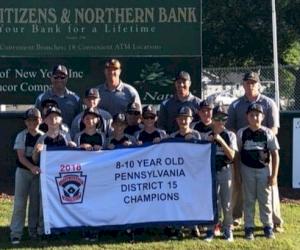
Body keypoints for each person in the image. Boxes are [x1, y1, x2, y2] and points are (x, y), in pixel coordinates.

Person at [226, 71, 283, 232]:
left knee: (270, 187)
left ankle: (275, 221)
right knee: (239, 185)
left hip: (264, 151)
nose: (250, 85)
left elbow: (274, 128)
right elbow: (230, 128)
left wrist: (263, 140)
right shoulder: (235, 104)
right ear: (243, 85)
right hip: (242, 151)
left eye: (253, 83)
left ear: (259, 85)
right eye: (247, 83)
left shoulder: (269, 103)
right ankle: (237, 218)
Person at [237, 103, 279, 240]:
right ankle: (249, 227)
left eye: (257, 115)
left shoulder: (268, 133)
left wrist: (274, 175)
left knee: (265, 199)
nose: (255, 117)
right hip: (247, 169)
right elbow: (237, 154)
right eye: (251, 115)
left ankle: (268, 226)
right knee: (248, 200)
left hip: (263, 170)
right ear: (247, 117)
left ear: (263, 116)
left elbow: (275, 155)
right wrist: (238, 173)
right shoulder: (242, 133)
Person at [32, 106, 76, 237]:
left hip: (63, 177)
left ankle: (63, 231)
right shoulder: (42, 138)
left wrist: (73, 147)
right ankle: (43, 231)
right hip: (47, 178)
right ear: (44, 120)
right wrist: (36, 151)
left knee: (63, 203)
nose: (53, 119)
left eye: (56, 117)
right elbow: (35, 160)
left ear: (61, 120)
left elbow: (73, 159)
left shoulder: (66, 137)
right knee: (44, 205)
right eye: (49, 117)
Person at [10, 108, 44, 245]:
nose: (32, 123)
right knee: (19, 203)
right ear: (25, 122)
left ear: (40, 120)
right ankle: (16, 233)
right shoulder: (21, 136)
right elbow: (21, 157)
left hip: (38, 175)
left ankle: (33, 232)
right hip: (23, 172)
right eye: (30, 120)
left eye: (35, 120)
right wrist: (32, 167)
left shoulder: (44, 136)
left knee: (35, 204)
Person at [204, 105, 237, 242]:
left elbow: (232, 156)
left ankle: (227, 229)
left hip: (225, 170)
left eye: (223, 118)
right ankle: (211, 229)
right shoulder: (207, 135)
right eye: (217, 118)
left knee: (227, 202)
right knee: (213, 202)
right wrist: (209, 142)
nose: (220, 121)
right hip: (211, 172)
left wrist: (221, 141)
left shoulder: (230, 135)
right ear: (212, 119)